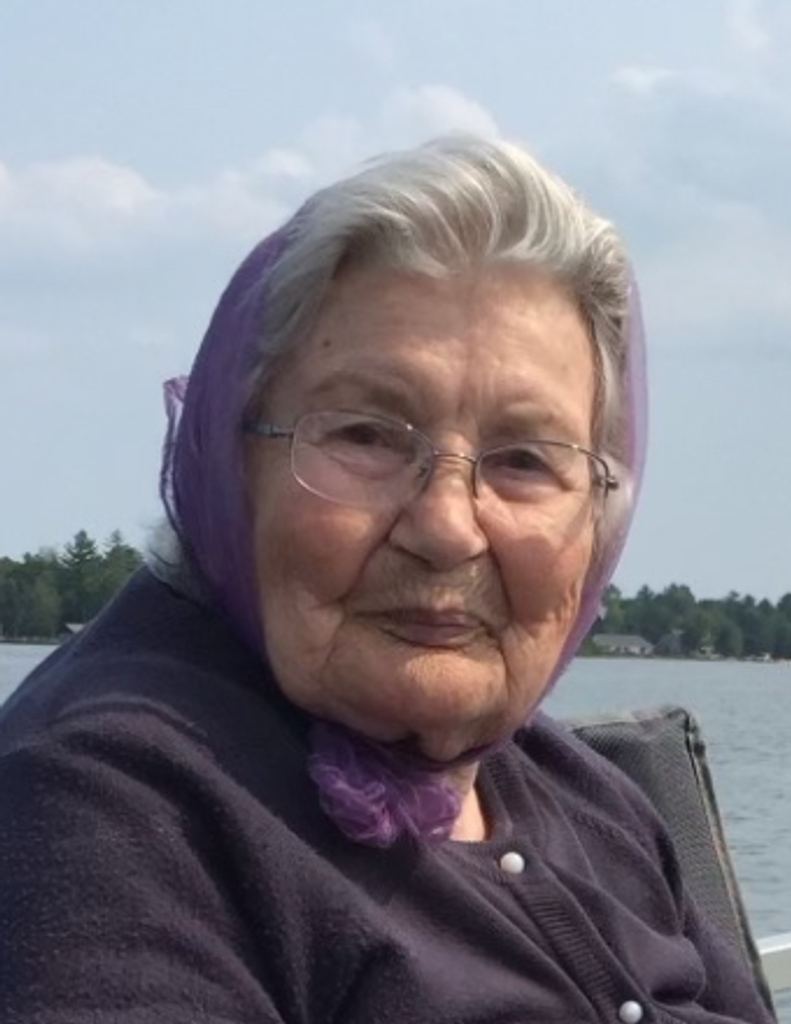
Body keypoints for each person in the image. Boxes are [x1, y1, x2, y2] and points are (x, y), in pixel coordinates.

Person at [0, 136, 771, 1024]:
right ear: (229, 461)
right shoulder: (104, 807)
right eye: (366, 435)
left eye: (523, 460)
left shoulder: (578, 791)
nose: (447, 528)